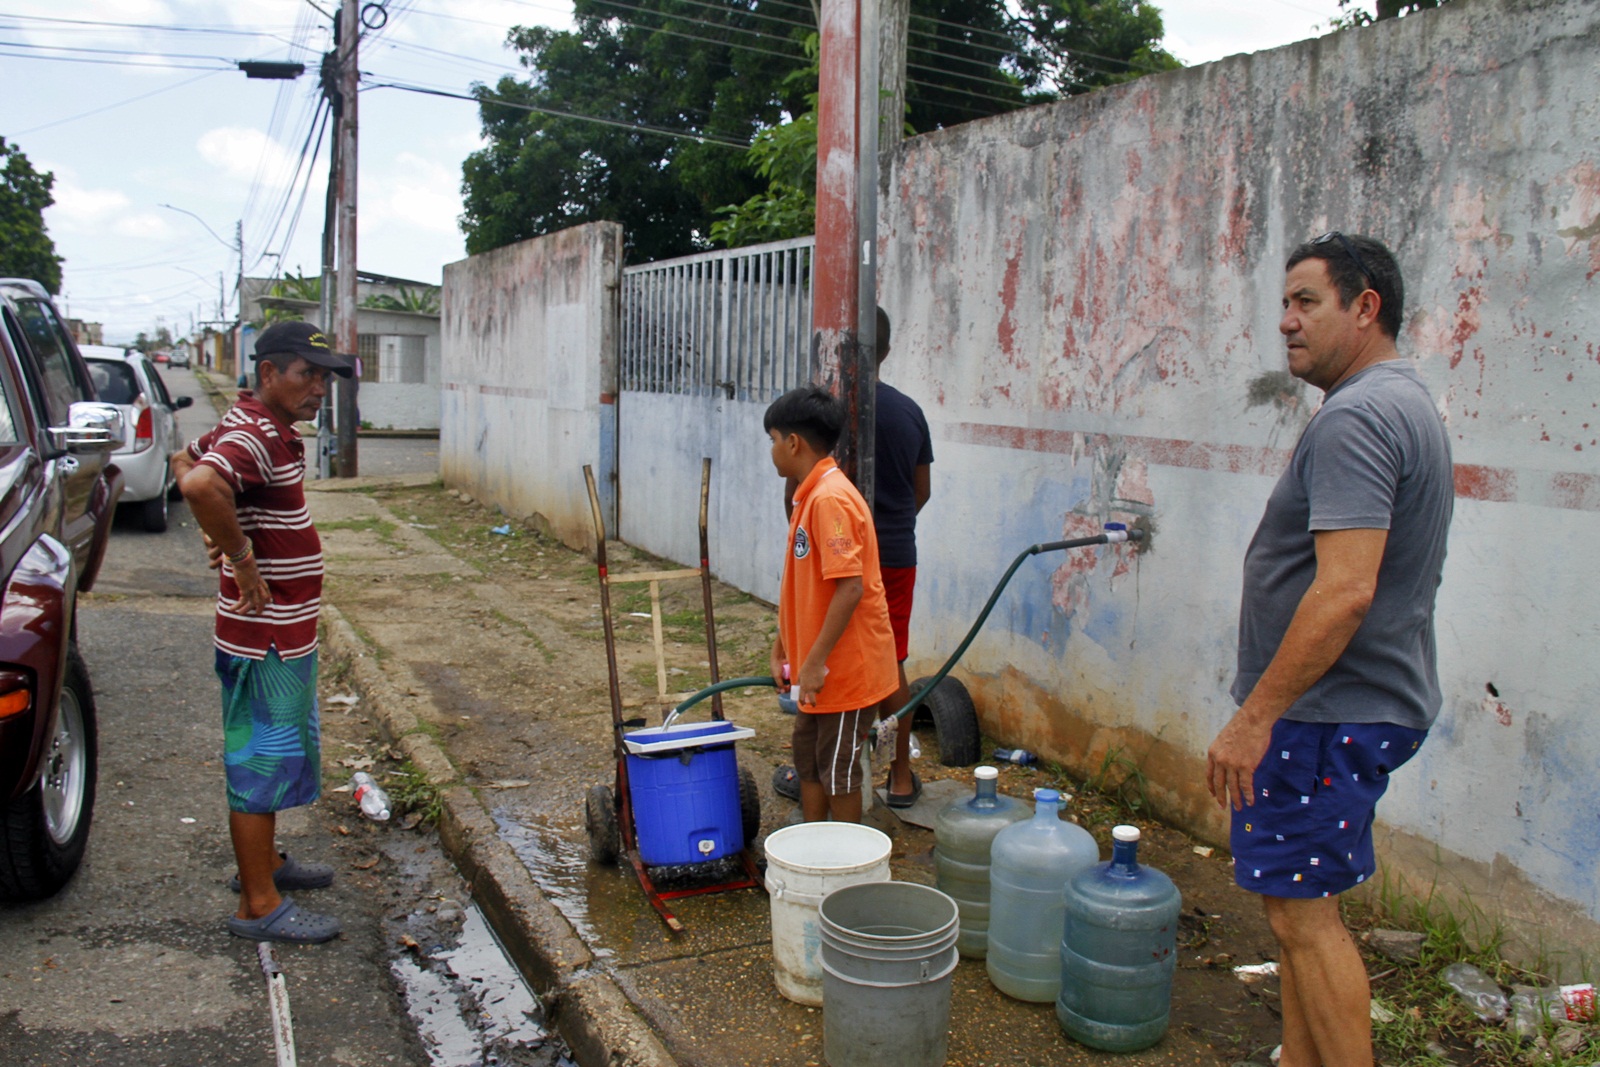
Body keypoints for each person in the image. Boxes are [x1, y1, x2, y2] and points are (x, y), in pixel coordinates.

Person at [1207, 233, 1453, 1067]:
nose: (1286, 322)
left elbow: (1346, 588)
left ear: (1365, 306)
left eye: (1307, 301)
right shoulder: (1398, 398)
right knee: (1296, 911)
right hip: (1342, 707)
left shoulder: (1359, 415)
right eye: (1284, 303)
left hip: (1320, 715)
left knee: (1305, 922)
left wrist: (1256, 716)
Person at [171, 320, 354, 945]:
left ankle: (266, 868)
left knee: (272, 760)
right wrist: (242, 558)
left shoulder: (258, 427)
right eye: (308, 375)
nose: (319, 390)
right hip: (264, 638)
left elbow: (184, 460)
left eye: (325, 378)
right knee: (258, 763)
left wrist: (224, 533)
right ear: (269, 372)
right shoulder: (253, 432)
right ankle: (259, 904)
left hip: (277, 634)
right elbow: (198, 482)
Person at [766, 386, 900, 823]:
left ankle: (846, 865)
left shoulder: (830, 500)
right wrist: (783, 646)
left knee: (839, 769)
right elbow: (805, 589)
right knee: (807, 758)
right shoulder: (810, 495)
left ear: (793, 442)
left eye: (772, 439)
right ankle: (812, 844)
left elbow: (850, 589)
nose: (772, 449)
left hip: (843, 671)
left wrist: (816, 662)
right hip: (819, 670)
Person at [869, 307, 934, 807]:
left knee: (829, 661)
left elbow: (795, 498)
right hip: (895, 553)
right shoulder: (909, 411)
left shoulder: (823, 412)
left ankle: (828, 767)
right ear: (886, 351)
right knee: (890, 664)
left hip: (837, 559)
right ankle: (901, 774)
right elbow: (921, 492)